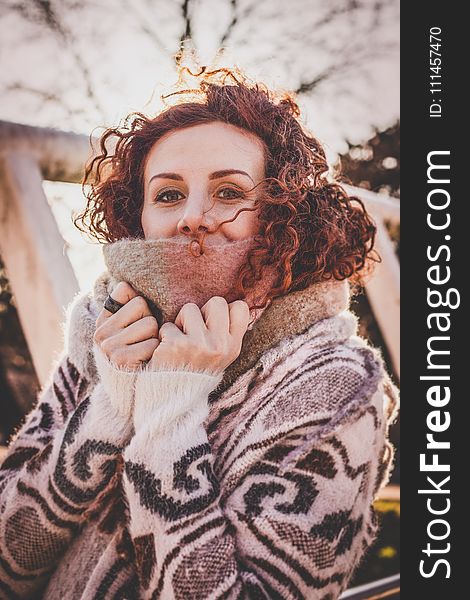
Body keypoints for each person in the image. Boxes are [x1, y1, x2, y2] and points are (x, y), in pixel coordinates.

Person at [0, 66, 399, 599]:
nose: (192, 216)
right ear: (138, 215)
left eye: (229, 191)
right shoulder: (102, 330)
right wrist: (112, 406)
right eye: (167, 195)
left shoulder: (336, 383)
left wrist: (170, 409)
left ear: (284, 213)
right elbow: (8, 560)